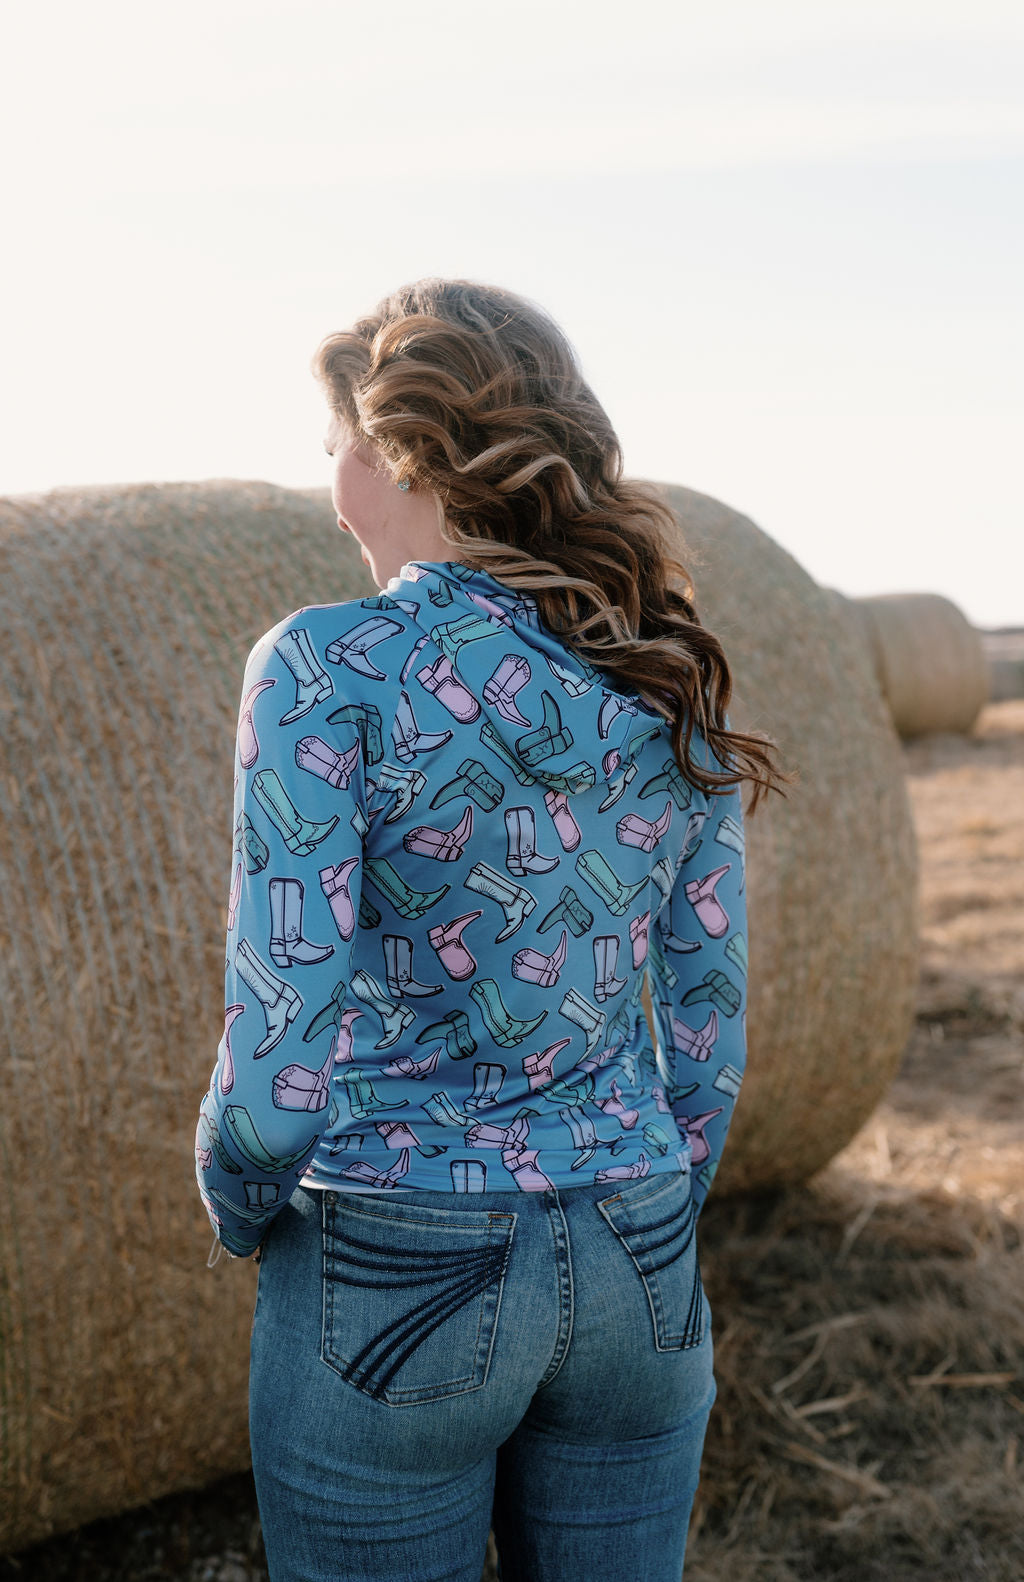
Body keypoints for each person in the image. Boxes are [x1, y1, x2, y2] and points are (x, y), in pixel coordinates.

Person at [194, 278, 783, 1582]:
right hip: (639, 1248)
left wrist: (241, 1204)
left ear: (396, 453)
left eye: (334, 447)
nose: (330, 484)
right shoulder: (661, 666)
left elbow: (278, 1065)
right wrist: (645, 1199)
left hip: (391, 1255)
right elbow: (708, 1023)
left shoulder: (322, 666)